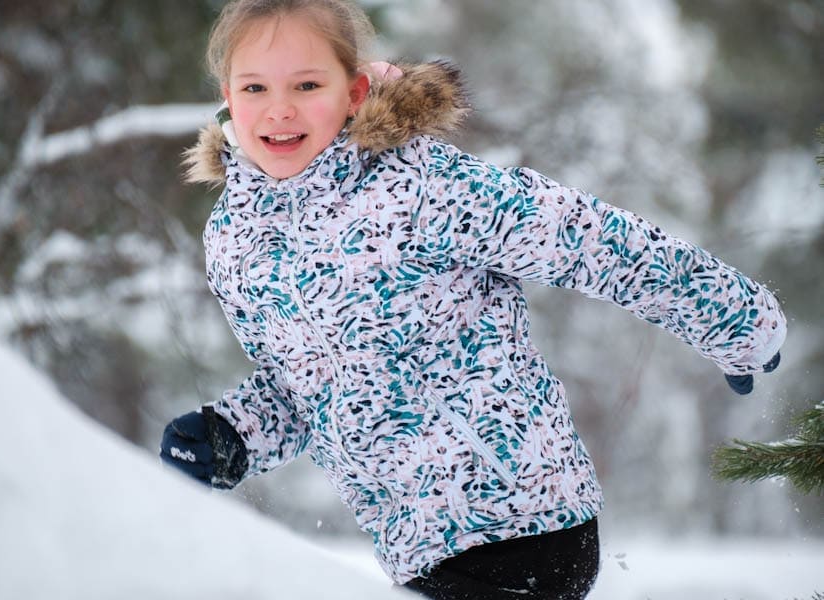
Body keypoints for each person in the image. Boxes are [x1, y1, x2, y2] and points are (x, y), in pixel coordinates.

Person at [160, 1, 787, 598]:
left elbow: (588, 241)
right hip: (412, 546)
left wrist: (732, 317)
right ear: (226, 98)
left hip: (525, 527)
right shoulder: (237, 238)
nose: (279, 111)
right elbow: (311, 385)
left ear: (352, 93)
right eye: (255, 89)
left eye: (306, 86)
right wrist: (235, 434)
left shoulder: (422, 184)